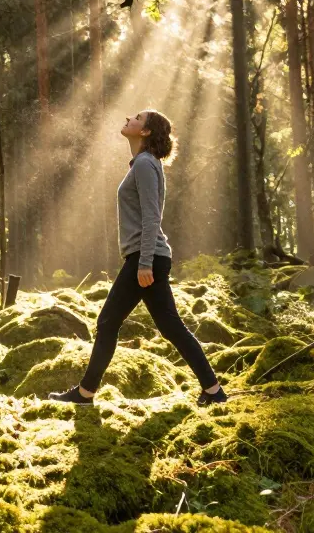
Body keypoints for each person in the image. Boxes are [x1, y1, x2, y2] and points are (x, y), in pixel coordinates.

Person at [48, 110, 226, 407]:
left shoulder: (144, 164)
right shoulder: (144, 164)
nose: (130, 117)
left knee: (107, 322)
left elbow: (151, 217)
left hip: (147, 258)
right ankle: (213, 390)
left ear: (145, 132)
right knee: (170, 327)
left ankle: (84, 394)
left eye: (138, 117)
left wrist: (143, 262)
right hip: (150, 256)